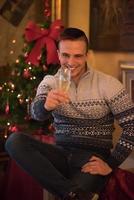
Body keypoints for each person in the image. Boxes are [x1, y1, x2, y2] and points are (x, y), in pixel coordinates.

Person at [5, 27, 134, 200]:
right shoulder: (50, 82)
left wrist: (110, 164)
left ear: (86, 55)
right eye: (66, 55)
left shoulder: (108, 85)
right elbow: (36, 113)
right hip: (61, 154)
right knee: (14, 141)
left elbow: (132, 126)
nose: (71, 62)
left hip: (91, 159)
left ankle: (72, 193)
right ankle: (73, 194)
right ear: (58, 54)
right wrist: (45, 106)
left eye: (78, 56)